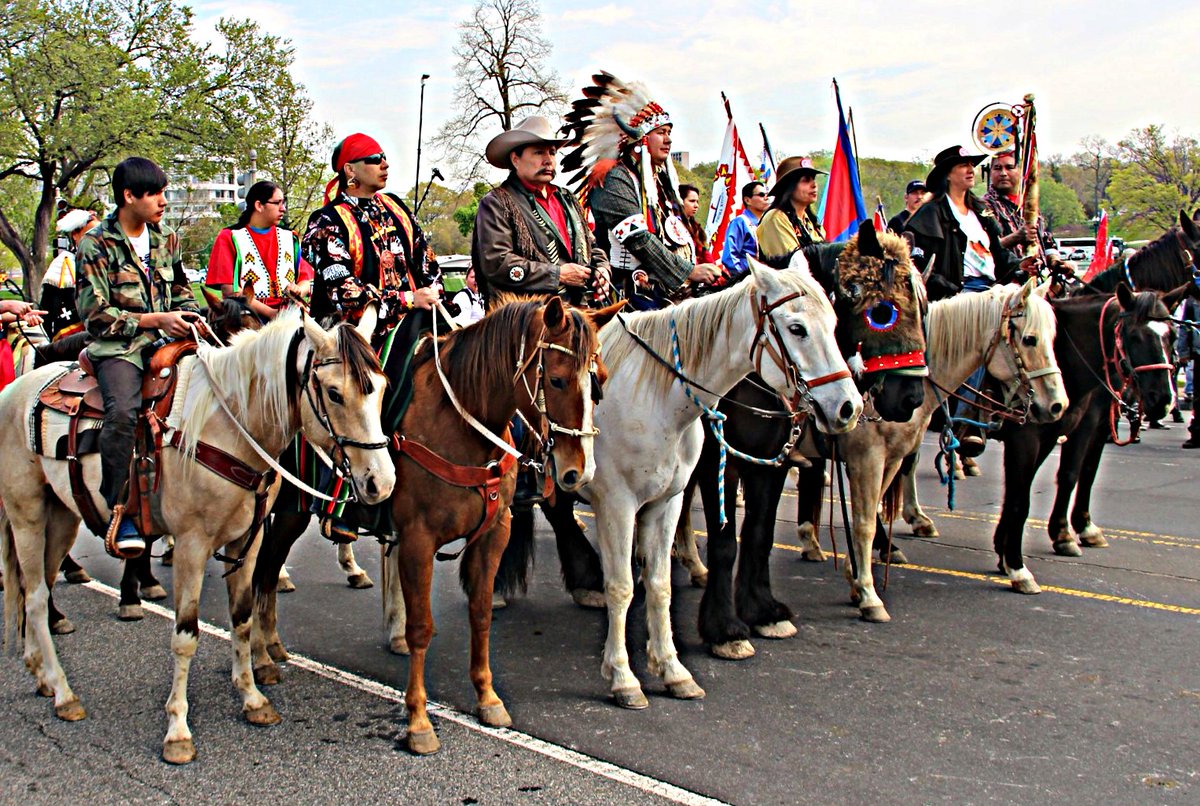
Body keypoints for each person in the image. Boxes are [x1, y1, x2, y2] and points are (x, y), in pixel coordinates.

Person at [301, 132, 443, 542]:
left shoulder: (396, 207)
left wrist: (430, 291)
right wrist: (404, 299)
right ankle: (342, 498)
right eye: (374, 159)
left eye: (384, 157)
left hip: (416, 315)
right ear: (349, 171)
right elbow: (339, 286)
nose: (385, 164)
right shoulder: (325, 222)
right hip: (357, 333)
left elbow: (426, 258)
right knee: (370, 390)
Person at [76, 157, 201, 557]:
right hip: (119, 349)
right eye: (157, 193)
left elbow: (181, 289)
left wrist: (188, 314)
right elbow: (95, 317)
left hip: (170, 343)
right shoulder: (96, 243)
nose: (165, 201)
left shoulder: (167, 238)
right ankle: (120, 509)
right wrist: (153, 319)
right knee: (124, 413)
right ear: (129, 196)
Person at [560, 72, 720, 309]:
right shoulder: (615, 179)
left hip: (661, 291)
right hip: (625, 296)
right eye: (661, 133)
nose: (669, 141)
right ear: (641, 140)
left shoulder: (659, 183)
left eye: (669, 133)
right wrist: (689, 270)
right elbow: (638, 240)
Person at [471, 115, 611, 306]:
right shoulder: (496, 202)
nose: (548, 160)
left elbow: (591, 246)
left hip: (581, 312)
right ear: (515, 159)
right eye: (538, 153)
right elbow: (497, 263)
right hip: (527, 320)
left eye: (552, 153)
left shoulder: (567, 199)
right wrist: (558, 274)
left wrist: (602, 268)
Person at [905, 145, 1029, 301]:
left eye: (971, 165)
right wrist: (953, 292)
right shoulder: (930, 214)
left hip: (990, 291)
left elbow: (998, 252)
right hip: (953, 299)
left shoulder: (981, 210)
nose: (971, 170)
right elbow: (919, 265)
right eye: (963, 165)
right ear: (947, 175)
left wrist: (1020, 265)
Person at [205, 180, 313, 320]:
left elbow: (306, 280)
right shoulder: (230, 237)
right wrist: (271, 313)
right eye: (277, 203)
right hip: (249, 317)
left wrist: (298, 290)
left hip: (291, 314)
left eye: (283, 203)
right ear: (259, 205)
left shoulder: (290, 237)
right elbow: (231, 290)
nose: (283, 208)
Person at [981, 149, 1057, 260]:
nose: (1003, 173)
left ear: (1021, 171)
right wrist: (1016, 237)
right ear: (990, 172)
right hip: (1006, 275)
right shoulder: (984, 206)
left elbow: (1045, 239)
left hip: (1037, 274)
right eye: (997, 168)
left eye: (1009, 167)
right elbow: (982, 248)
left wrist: (1055, 259)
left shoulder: (1029, 204)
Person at [41, 208, 98, 344]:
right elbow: (51, 306)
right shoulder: (64, 264)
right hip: (73, 337)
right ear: (75, 235)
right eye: (90, 234)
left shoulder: (105, 261)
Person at [756, 156, 827, 261]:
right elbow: (795, 265)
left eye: (813, 179)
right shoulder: (775, 219)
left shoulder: (812, 222)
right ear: (789, 186)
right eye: (806, 180)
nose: (814, 185)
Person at [720, 180, 768, 279]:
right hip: (747, 282)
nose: (766, 198)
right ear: (747, 200)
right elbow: (729, 256)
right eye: (761, 194)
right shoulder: (740, 222)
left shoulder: (766, 223)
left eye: (767, 194)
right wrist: (742, 277)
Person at [1179, 296, 1200, 448]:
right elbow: (1185, 325)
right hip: (1199, 352)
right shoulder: (1194, 298)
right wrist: (1183, 351)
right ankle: (1197, 433)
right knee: (1199, 397)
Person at [678, 183, 716, 265]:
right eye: (692, 201)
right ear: (681, 201)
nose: (696, 205)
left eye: (697, 202)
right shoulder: (674, 226)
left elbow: (705, 255)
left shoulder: (695, 227)